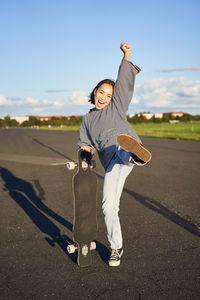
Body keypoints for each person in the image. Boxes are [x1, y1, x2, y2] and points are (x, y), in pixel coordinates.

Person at [78, 42, 151, 267]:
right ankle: (116, 247)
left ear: (112, 98)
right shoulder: (87, 120)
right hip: (111, 164)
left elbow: (123, 83)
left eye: (108, 95)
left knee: (121, 149)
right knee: (108, 206)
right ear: (94, 92)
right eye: (101, 92)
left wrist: (127, 56)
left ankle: (133, 154)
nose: (104, 97)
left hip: (123, 151)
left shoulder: (116, 107)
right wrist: (84, 157)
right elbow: (85, 144)